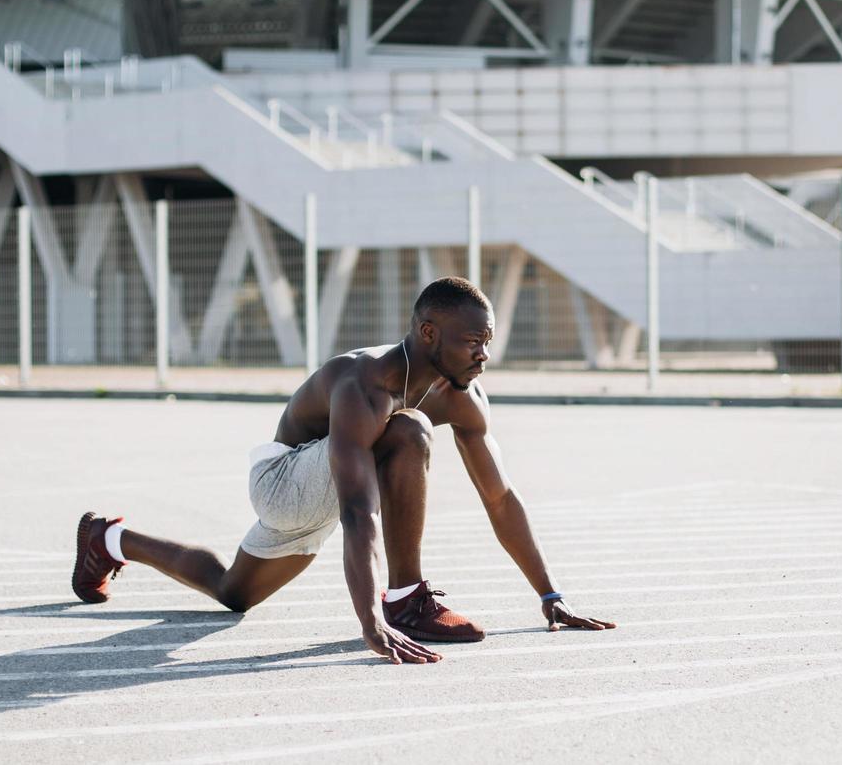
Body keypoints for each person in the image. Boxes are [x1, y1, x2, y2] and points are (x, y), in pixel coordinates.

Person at [71, 276, 616, 664]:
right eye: (472, 342)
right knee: (409, 430)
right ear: (429, 333)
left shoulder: (464, 396)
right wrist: (370, 620)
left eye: (487, 343)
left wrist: (551, 596)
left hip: (325, 489)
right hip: (285, 482)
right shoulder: (365, 383)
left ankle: (110, 540)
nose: (483, 356)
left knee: (232, 592)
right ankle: (405, 601)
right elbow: (359, 512)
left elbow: (499, 498)